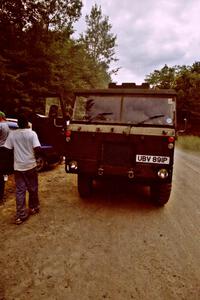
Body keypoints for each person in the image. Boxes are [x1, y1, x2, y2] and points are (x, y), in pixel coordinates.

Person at [4, 114, 41, 224]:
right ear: (26, 123)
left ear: (18, 124)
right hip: (30, 165)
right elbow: (38, 148)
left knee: (20, 191)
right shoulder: (32, 134)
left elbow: (7, 149)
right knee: (33, 188)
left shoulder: (13, 134)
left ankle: (21, 215)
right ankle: (33, 207)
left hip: (18, 167)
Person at [0, 111, 10, 204]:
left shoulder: (0, 125)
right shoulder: (6, 125)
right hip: (5, 150)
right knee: (2, 173)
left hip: (0, 149)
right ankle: (1, 196)